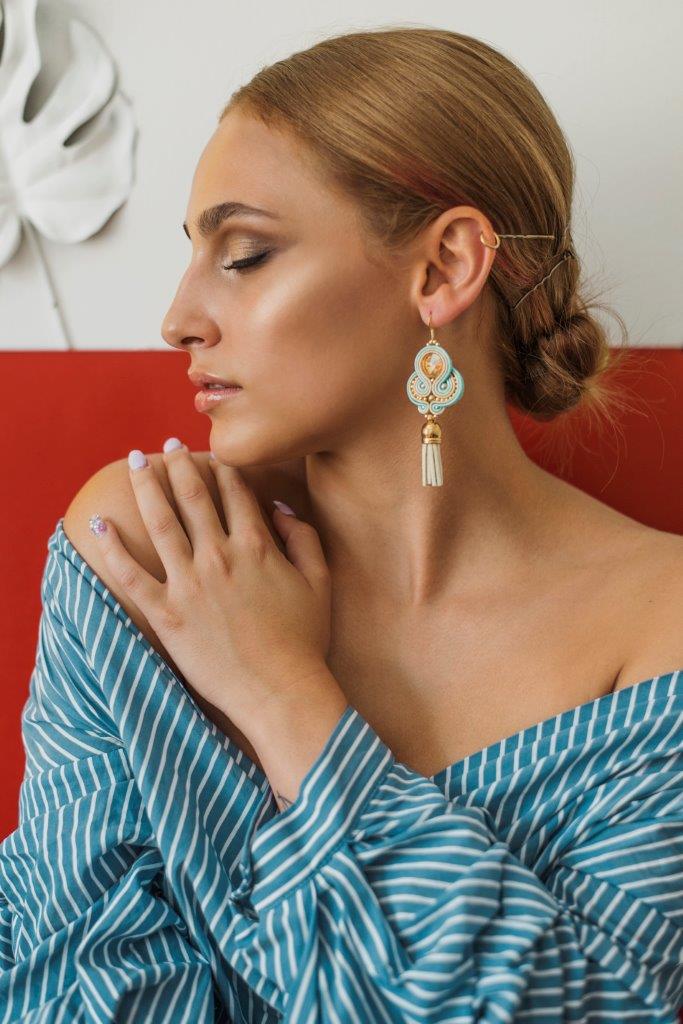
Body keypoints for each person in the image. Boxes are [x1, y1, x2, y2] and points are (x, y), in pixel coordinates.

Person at [1, 25, 682, 1024]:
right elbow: (75, 986)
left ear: (442, 268)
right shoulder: (153, 544)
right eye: (192, 255)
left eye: (244, 255)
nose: (177, 318)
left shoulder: (660, 626)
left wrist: (282, 697)